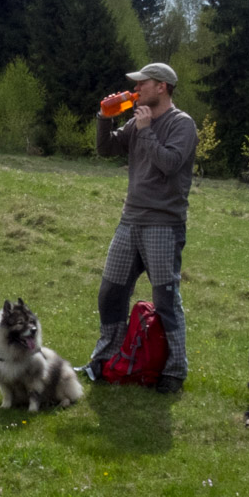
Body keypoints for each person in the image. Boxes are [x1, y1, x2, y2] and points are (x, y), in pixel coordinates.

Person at [78, 62, 198, 394]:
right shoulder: (136, 119)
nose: (136, 89)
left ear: (162, 87)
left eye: (142, 84)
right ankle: (104, 361)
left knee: (166, 299)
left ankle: (174, 371)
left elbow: (171, 164)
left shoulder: (181, 124)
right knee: (111, 293)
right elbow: (105, 149)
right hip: (130, 221)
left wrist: (145, 131)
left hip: (163, 223)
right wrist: (105, 118)